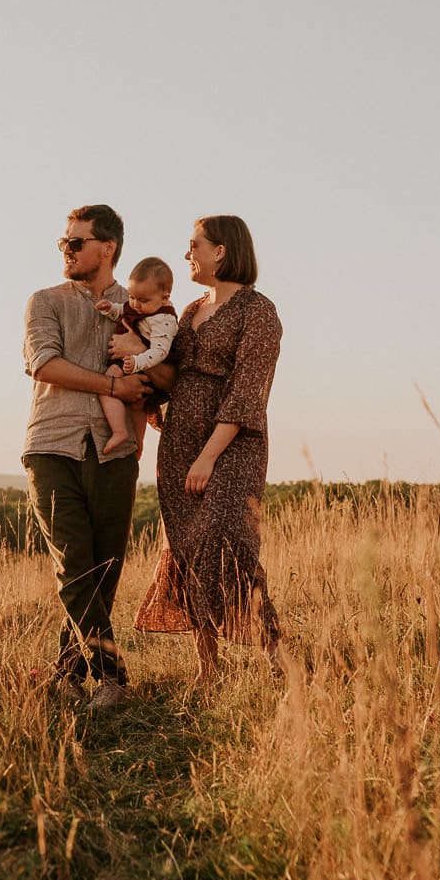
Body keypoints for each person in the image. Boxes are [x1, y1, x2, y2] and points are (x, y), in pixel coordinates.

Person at [111, 215, 282, 683]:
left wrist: (209, 455)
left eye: (194, 246)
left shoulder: (257, 311)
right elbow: (171, 375)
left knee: (229, 540)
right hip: (180, 440)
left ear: (221, 251)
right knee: (187, 545)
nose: (187, 254)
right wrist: (134, 352)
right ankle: (209, 669)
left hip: (232, 443)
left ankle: (276, 656)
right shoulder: (187, 312)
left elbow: (248, 391)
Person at [22, 204, 149, 709]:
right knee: (74, 566)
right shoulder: (45, 301)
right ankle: (113, 678)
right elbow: (44, 363)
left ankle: (68, 674)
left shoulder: (141, 304)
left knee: (103, 569)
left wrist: (145, 387)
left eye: (75, 243)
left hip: (117, 453)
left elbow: (163, 372)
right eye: (64, 243)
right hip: (52, 445)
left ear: (108, 248)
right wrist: (115, 383)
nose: (66, 251)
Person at [95, 256, 178, 456]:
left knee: (106, 384)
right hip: (136, 360)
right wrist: (110, 309)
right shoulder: (138, 305)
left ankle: (119, 431)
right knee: (138, 405)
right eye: (132, 297)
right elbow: (124, 312)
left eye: (143, 300)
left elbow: (161, 351)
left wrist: (137, 360)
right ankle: (137, 445)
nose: (136, 304)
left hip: (146, 362)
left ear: (164, 298)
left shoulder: (163, 320)